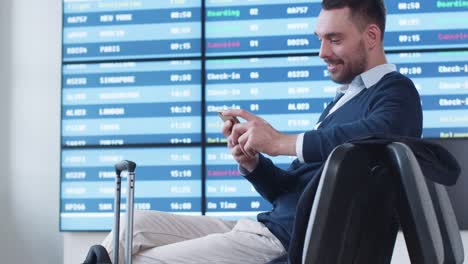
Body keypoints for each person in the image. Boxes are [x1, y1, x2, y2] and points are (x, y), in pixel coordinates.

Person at [101, 0, 422, 263]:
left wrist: (281, 142)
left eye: (335, 40)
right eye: (319, 39)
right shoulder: (342, 102)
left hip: (283, 241)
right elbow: (288, 194)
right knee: (132, 225)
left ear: (371, 36)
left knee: (137, 260)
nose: (322, 52)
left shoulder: (395, 93)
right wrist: (252, 163)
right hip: (263, 226)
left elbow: (376, 133)